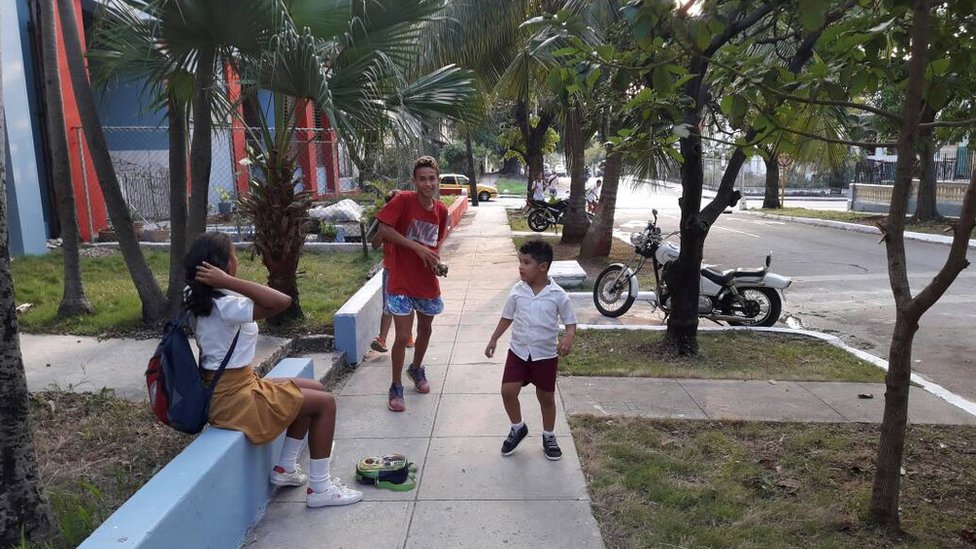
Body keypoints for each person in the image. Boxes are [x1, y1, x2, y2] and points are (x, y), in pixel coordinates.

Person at [185, 232, 362, 508]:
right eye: (234, 256)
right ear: (224, 266)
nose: (236, 261)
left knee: (311, 390)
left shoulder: (201, 298)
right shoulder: (226, 306)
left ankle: (286, 469)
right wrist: (229, 282)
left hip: (232, 387)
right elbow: (282, 301)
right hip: (235, 399)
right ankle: (320, 488)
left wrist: (225, 283)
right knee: (325, 404)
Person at [484, 240, 577, 461]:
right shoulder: (517, 291)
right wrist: (494, 338)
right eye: (520, 262)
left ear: (542, 267)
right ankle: (518, 427)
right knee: (508, 391)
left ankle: (549, 435)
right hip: (518, 352)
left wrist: (568, 337)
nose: (521, 267)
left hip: (545, 355)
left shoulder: (557, 295)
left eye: (526, 262)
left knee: (545, 397)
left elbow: (570, 322)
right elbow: (507, 317)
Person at [375, 156, 449, 412]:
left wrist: (435, 262)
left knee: (425, 330)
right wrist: (416, 248)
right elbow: (384, 230)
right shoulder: (404, 200)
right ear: (414, 181)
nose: (428, 183)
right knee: (404, 335)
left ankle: (416, 369)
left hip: (426, 282)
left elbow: (434, 244)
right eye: (422, 179)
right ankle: (396, 385)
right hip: (401, 280)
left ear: (437, 179)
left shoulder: (441, 210)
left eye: (432, 178)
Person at [370, 189, 415, 353]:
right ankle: (382, 339)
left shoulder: (408, 223)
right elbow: (374, 244)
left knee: (408, 304)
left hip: (407, 271)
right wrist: (382, 232)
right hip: (390, 271)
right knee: (388, 306)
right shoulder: (386, 226)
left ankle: (408, 336)